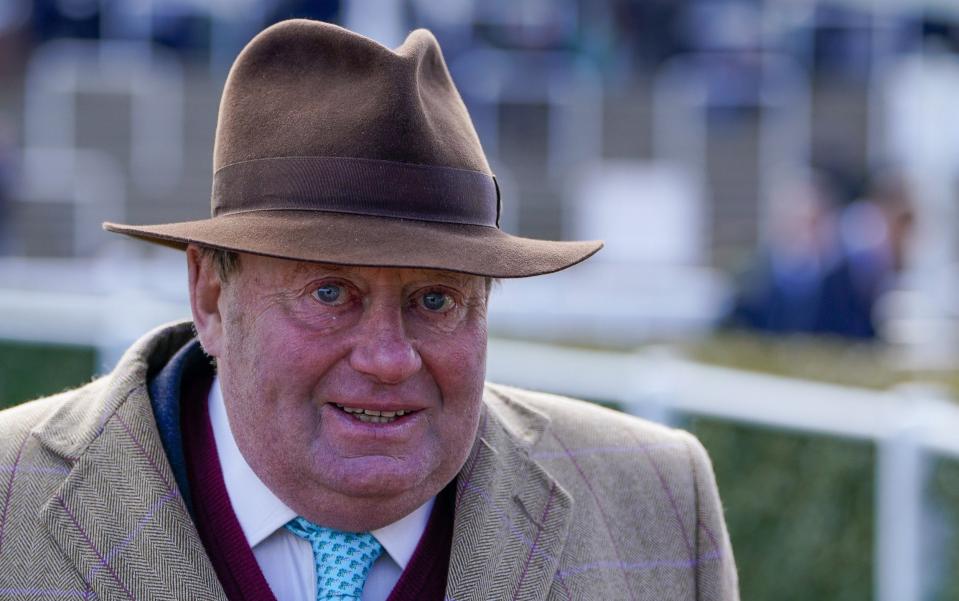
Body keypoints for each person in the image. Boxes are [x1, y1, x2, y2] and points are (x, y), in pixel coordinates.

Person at [0, 19, 738, 601]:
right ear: (211, 297)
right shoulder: (10, 497)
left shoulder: (658, 498)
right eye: (330, 293)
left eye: (436, 299)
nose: (387, 357)